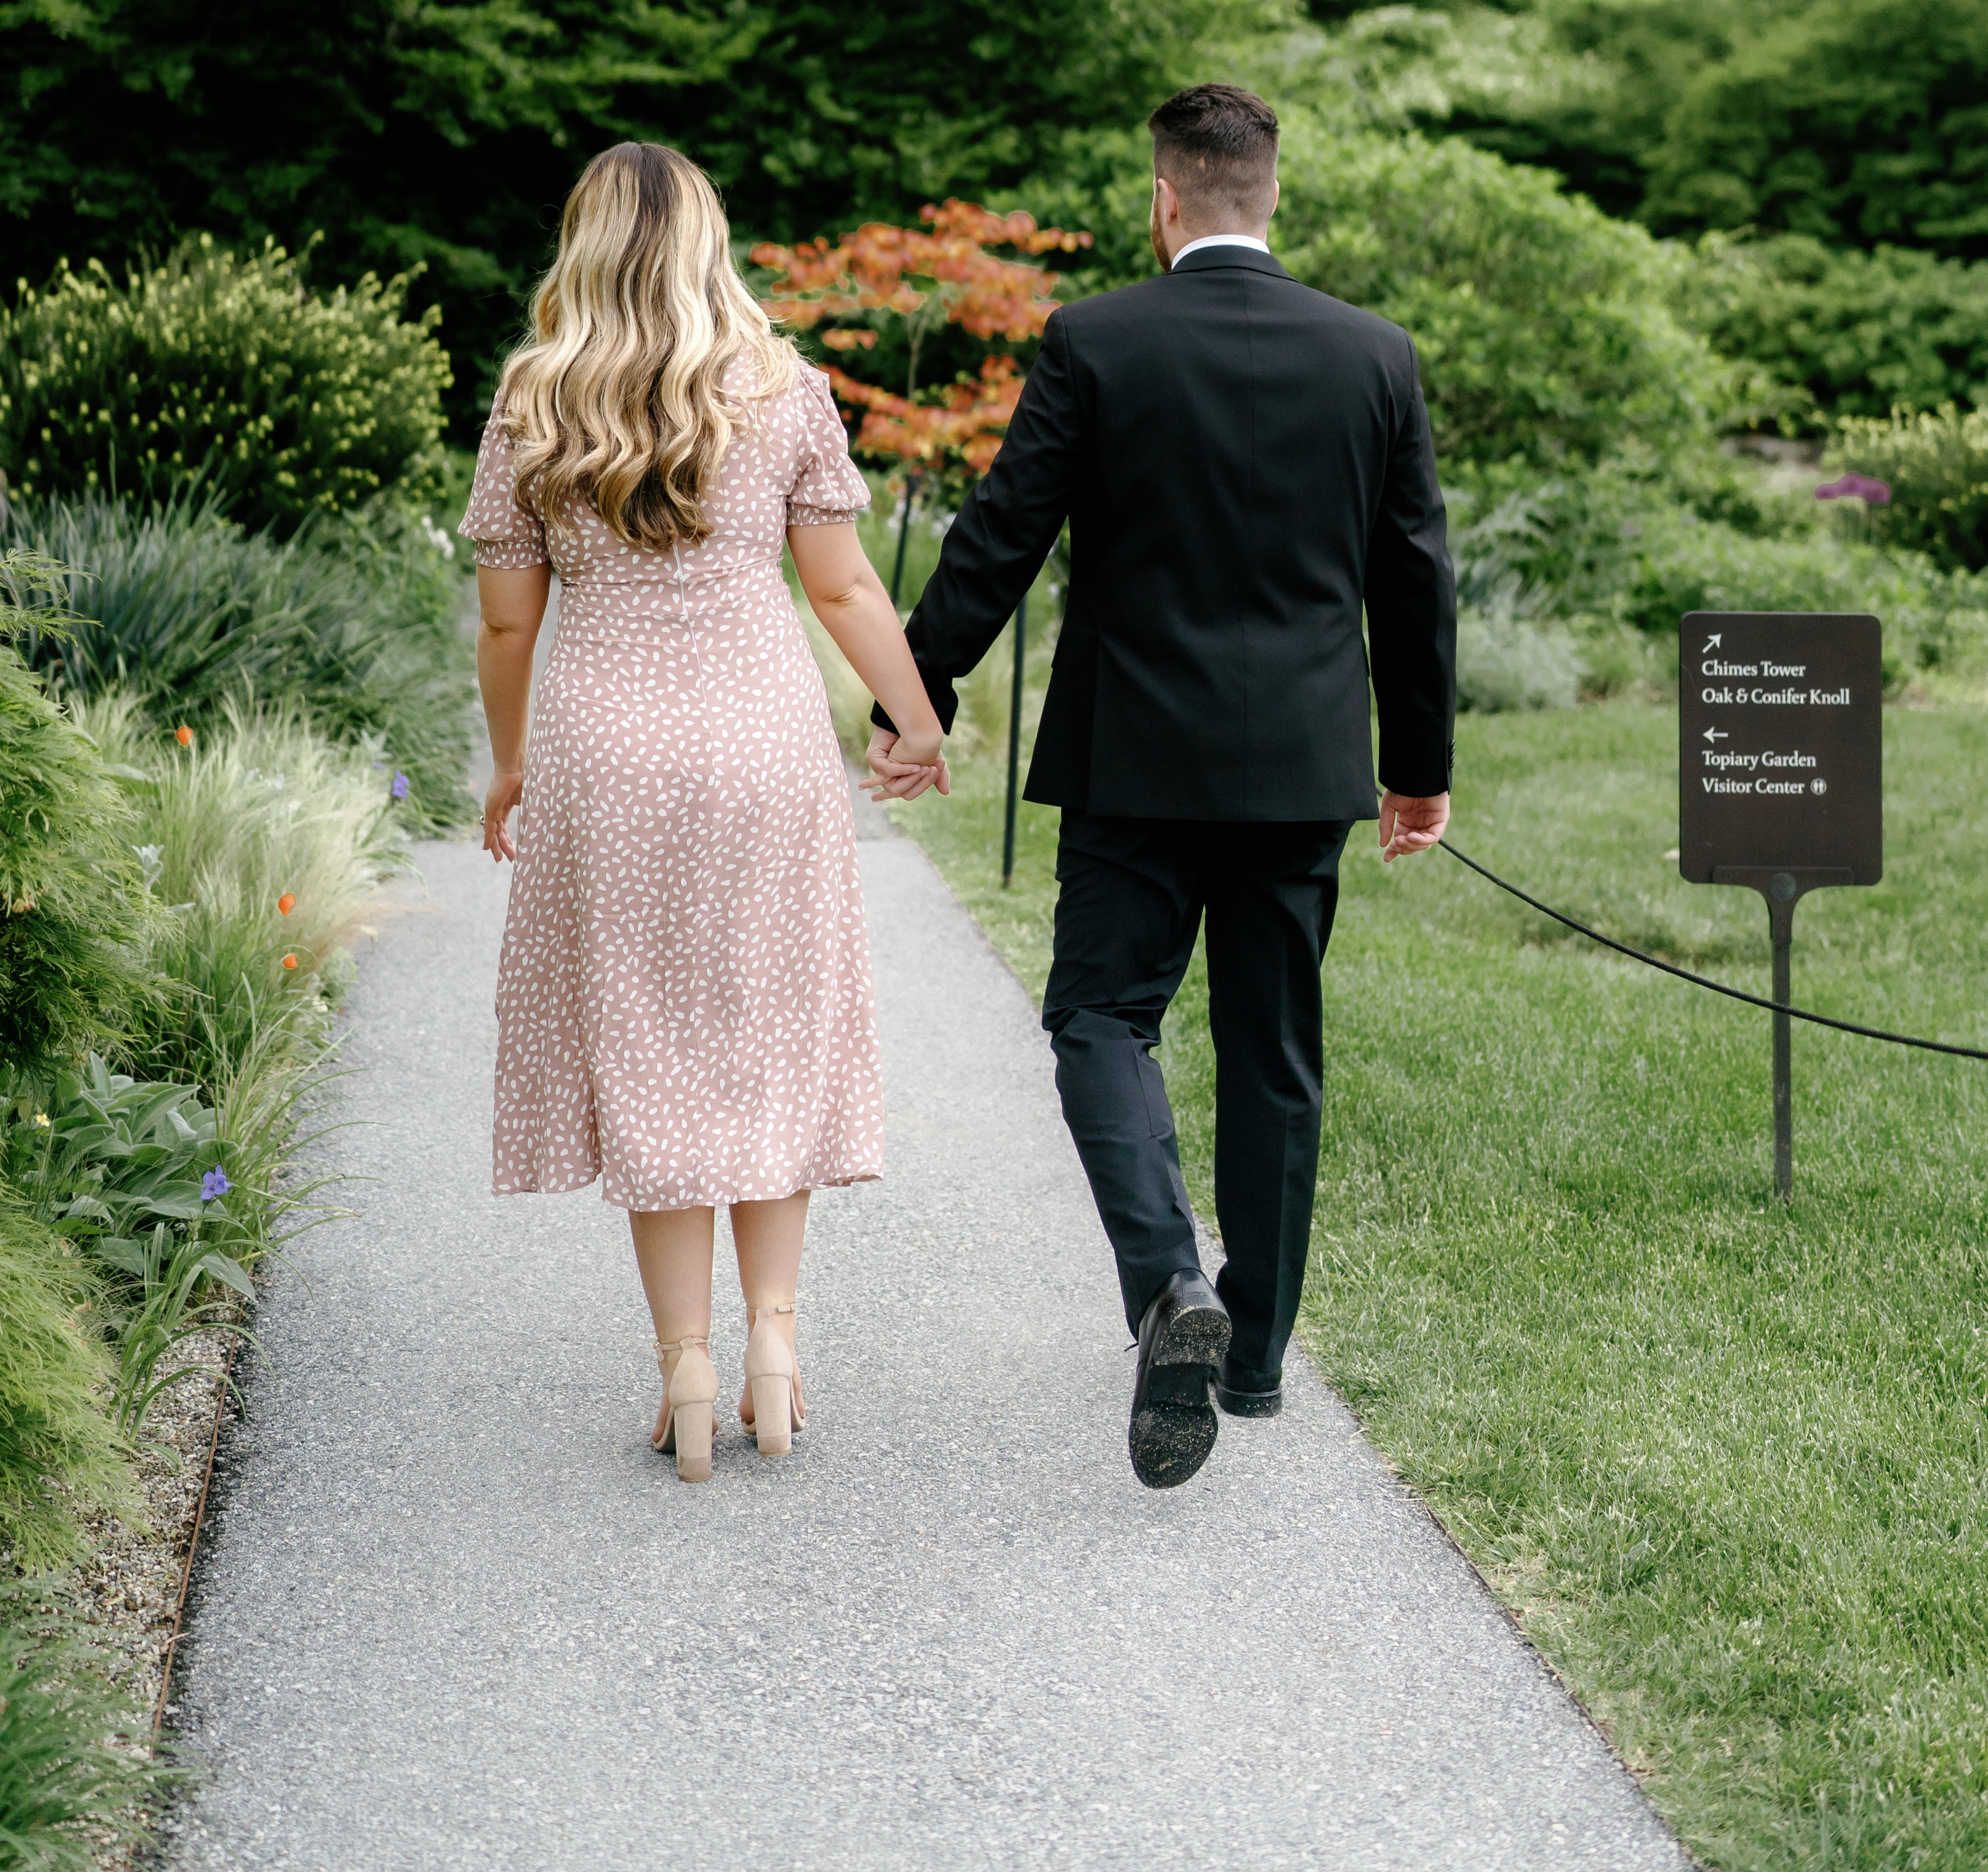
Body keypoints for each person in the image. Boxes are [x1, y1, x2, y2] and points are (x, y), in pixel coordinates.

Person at [872, 83, 1455, 1489]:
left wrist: (919, 698)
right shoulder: (1371, 356)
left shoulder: (1096, 341)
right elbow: (1416, 579)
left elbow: (1000, 533)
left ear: (1162, 199)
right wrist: (1415, 771)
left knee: (1099, 1017)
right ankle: (1248, 1359)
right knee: (1271, 1048)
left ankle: (1167, 1285)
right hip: (1302, 768)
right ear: (1269, 195)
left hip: (1131, 761)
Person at [462, 141, 948, 1484]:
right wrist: (913, 717)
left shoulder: (532, 400)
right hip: (761, 746)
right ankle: (775, 1352)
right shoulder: (785, 388)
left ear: (585, 245)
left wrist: (509, 765)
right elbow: (844, 591)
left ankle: (683, 1366)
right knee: (768, 1022)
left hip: (602, 748)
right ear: (708, 244)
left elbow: (510, 622)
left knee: (647, 1038)